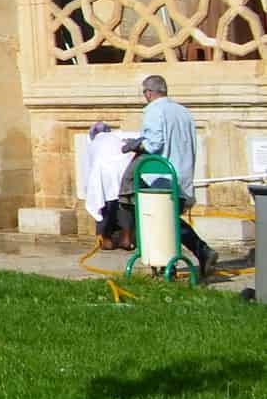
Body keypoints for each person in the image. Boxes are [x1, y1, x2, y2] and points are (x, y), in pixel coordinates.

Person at [136, 75, 218, 276]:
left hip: (161, 176)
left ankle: (168, 266)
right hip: (182, 173)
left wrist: (137, 145)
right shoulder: (183, 111)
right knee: (169, 219)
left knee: (157, 220)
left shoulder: (154, 110)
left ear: (148, 93)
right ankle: (195, 255)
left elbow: (154, 144)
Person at [78, 121, 136, 249]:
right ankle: (127, 239)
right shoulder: (117, 137)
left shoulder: (93, 144)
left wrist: (88, 190)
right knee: (124, 204)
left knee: (103, 207)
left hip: (103, 176)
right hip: (123, 172)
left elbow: (88, 168)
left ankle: (105, 239)